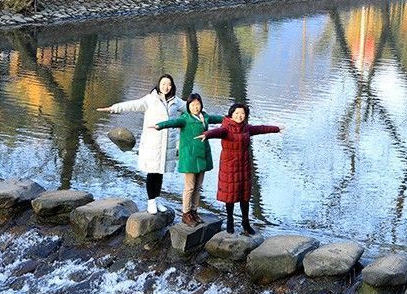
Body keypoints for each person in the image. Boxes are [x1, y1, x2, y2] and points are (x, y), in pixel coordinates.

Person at [97, 74, 184, 215]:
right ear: (159, 84)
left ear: (172, 86)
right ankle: (151, 201)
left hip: (167, 143)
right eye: (163, 84)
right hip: (153, 143)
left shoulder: (176, 102)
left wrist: (204, 115)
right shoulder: (150, 99)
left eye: (169, 84)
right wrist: (113, 108)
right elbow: (132, 105)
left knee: (160, 173)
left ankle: (157, 199)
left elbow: (192, 108)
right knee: (152, 172)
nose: (166, 87)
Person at [197, 102, 282, 235]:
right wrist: (207, 134)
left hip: (244, 166)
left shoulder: (246, 128)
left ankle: (245, 223)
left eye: (242, 113)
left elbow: (261, 129)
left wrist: (276, 128)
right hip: (229, 166)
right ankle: (230, 220)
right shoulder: (226, 128)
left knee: (245, 195)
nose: (239, 116)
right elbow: (218, 131)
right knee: (230, 194)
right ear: (231, 114)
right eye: (236, 113)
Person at [156, 93, 223, 225]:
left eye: (198, 104)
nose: (196, 107)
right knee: (189, 187)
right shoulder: (185, 118)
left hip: (203, 155)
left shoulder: (205, 116)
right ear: (188, 106)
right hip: (190, 157)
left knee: (198, 187)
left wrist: (231, 119)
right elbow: (173, 122)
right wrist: (160, 125)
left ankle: (194, 211)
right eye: (192, 105)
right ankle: (185, 213)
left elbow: (218, 119)